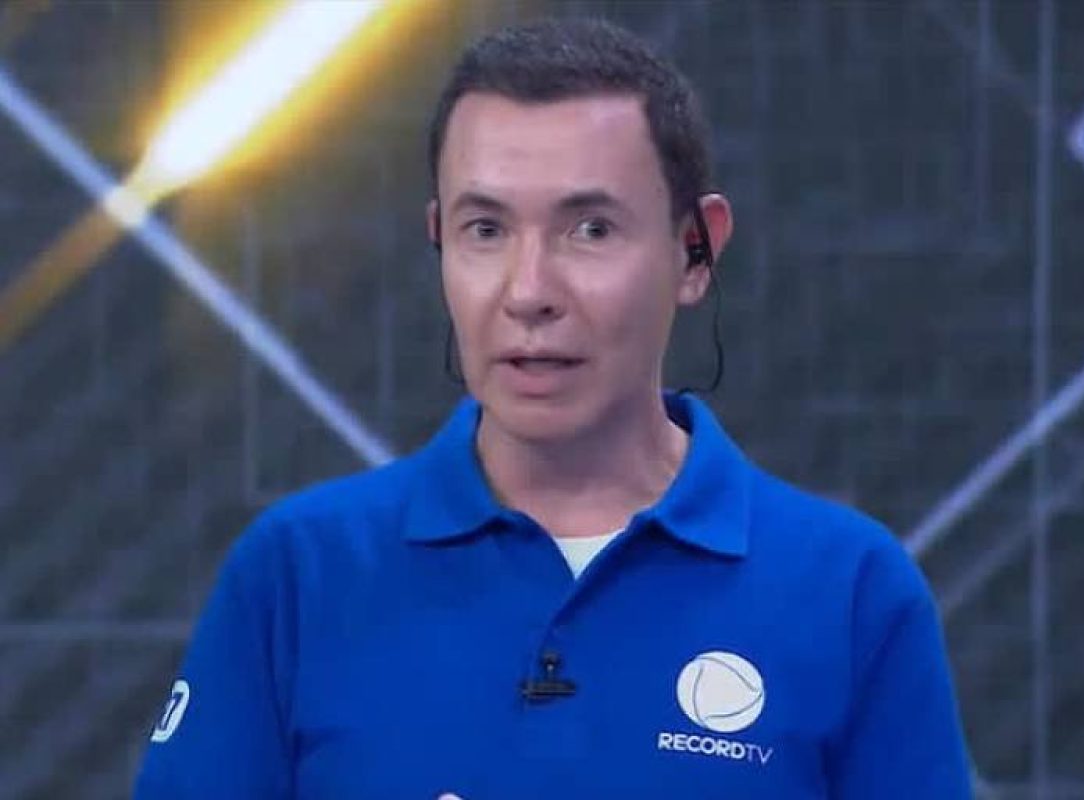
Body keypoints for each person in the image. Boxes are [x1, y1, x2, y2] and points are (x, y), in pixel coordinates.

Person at [133, 17, 972, 799]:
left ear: (695, 251)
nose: (529, 291)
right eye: (486, 230)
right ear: (439, 241)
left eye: (590, 230)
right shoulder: (298, 576)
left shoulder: (851, 594)